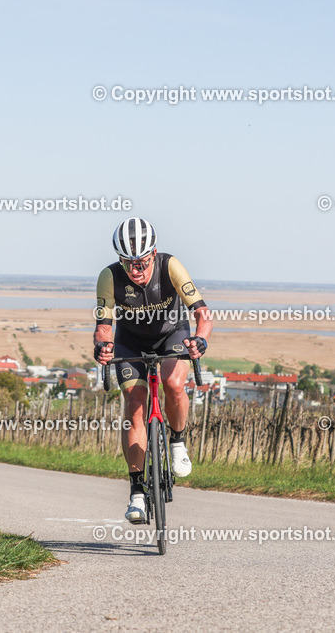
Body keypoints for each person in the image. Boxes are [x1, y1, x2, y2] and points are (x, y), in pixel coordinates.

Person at [93, 217, 213, 524]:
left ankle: (177, 442)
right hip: (130, 342)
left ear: (154, 253)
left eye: (142, 262)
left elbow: (202, 312)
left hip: (172, 334)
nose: (136, 270)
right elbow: (104, 327)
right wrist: (103, 348)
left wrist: (200, 339)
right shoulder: (109, 277)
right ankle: (136, 493)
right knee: (135, 405)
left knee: (174, 385)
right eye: (128, 263)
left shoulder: (170, 265)